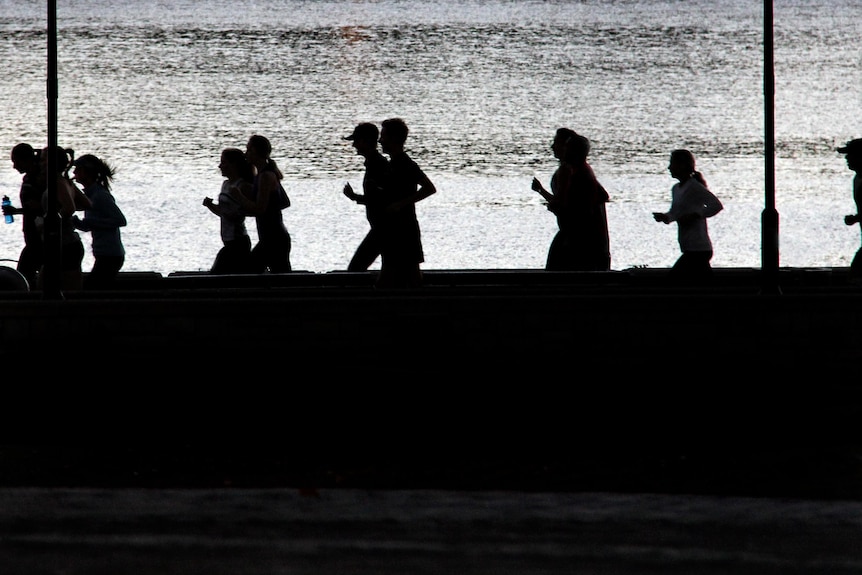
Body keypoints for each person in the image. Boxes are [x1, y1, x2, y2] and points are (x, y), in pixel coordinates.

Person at [531, 129, 611, 271]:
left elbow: (561, 205)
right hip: (589, 238)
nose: (552, 147)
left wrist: (543, 194)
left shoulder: (569, 172)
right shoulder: (584, 170)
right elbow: (603, 196)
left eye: (557, 143)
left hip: (576, 238)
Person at [377, 117, 437, 288]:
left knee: (404, 275)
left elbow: (429, 188)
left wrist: (400, 204)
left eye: (384, 136)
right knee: (403, 274)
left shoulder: (406, 163)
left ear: (394, 138)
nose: (380, 140)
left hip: (404, 228)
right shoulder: (392, 164)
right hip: (395, 228)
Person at [652, 149, 723, 283]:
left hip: (698, 249)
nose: (669, 168)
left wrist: (697, 215)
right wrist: (665, 217)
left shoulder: (694, 187)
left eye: (672, 164)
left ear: (683, 165)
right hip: (687, 246)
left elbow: (716, 205)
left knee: (673, 280)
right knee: (703, 283)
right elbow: (675, 213)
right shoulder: (676, 189)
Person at [231, 135, 292, 273]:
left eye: (249, 150)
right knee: (281, 277)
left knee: (249, 271)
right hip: (272, 238)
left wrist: (239, 197)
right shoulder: (264, 175)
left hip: (274, 239)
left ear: (257, 152)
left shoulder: (266, 176)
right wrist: (244, 211)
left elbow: (260, 209)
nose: (246, 154)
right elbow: (283, 203)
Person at [70, 153, 127, 290]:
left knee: (92, 288)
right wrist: (74, 221)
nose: (74, 172)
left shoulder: (100, 195)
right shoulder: (90, 195)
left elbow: (120, 220)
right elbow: (86, 225)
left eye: (77, 169)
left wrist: (90, 222)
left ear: (86, 172)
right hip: (103, 253)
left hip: (110, 255)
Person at [39, 146, 91, 291]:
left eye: (44, 160)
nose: (41, 163)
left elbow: (70, 208)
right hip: (68, 244)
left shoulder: (57, 182)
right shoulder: (66, 182)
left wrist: (48, 223)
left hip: (64, 244)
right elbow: (86, 203)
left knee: (47, 286)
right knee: (67, 289)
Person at [342, 122, 389, 272]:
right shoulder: (373, 163)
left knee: (355, 269)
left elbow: (383, 198)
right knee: (388, 270)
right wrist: (356, 197)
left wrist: (355, 197)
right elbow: (377, 197)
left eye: (356, 141)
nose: (354, 145)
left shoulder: (378, 164)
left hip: (383, 228)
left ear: (366, 141)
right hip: (379, 227)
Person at [203, 148, 254, 274]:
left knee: (217, 273)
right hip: (227, 240)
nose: (220, 166)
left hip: (238, 241)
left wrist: (233, 212)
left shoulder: (242, 186)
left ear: (234, 165)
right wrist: (210, 206)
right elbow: (223, 213)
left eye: (224, 163)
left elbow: (248, 210)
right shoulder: (225, 184)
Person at [4, 143, 45, 288]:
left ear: (26, 160)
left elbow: (39, 207)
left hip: (38, 236)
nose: (15, 166)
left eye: (16, 161)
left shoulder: (37, 179)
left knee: (23, 273)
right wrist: (17, 211)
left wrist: (19, 211)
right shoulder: (31, 178)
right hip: (33, 235)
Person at [839, 139, 862, 283]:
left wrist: (856, 218)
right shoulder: (858, 178)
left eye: (851, 155)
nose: (847, 158)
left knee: (856, 274)